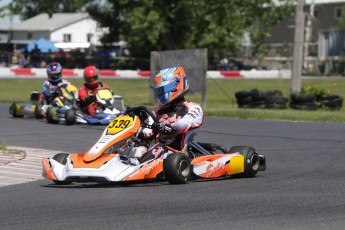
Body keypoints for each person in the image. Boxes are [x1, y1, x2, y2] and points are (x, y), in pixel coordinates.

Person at [127, 66, 204, 165]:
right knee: (133, 145)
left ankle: (136, 165)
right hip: (157, 151)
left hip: (175, 153)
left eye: (164, 89)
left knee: (159, 148)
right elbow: (147, 131)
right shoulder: (157, 111)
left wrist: (166, 128)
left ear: (176, 86)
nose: (162, 94)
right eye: (159, 91)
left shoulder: (193, 108)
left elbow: (184, 124)